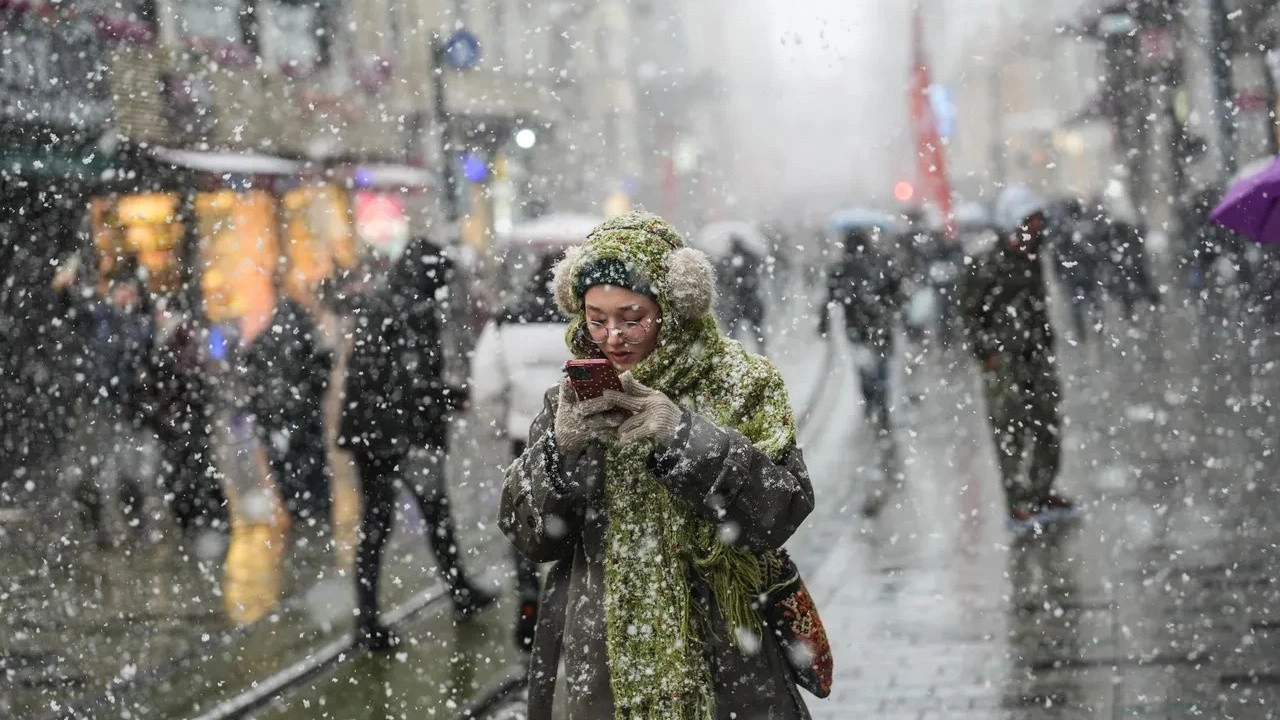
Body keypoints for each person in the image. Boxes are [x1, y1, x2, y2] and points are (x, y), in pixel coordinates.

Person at [500, 211, 815, 720]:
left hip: (726, 655)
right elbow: (534, 538)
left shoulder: (742, 381)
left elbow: (782, 508)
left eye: (631, 317)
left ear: (674, 305)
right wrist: (559, 453)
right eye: (596, 318)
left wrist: (683, 435)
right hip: (603, 665)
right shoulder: (569, 398)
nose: (612, 337)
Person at [337, 257, 494, 651]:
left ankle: (370, 619)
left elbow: (385, 376)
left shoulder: (384, 305)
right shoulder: (411, 311)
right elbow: (410, 380)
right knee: (429, 517)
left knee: (381, 526)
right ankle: (453, 593)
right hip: (401, 437)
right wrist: (446, 398)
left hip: (375, 434)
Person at [470, 253, 570, 652]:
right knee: (575, 527)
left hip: (525, 438)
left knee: (526, 523)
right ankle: (570, 612)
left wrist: (502, 425)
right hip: (576, 441)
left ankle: (529, 607)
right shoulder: (586, 322)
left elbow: (485, 387)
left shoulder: (506, 322)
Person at [961, 186, 1076, 534]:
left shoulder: (1034, 258)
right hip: (1004, 361)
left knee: (1046, 424)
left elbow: (1038, 307)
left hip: (1036, 357)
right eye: (1031, 222)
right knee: (1009, 432)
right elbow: (970, 315)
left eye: (1039, 222)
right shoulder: (986, 263)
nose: (1037, 230)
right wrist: (989, 353)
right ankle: (1018, 502)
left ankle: (1042, 491)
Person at [243, 295, 333, 533]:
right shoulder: (307, 339)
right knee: (311, 474)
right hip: (302, 419)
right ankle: (314, 518)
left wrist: (264, 416)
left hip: (277, 421)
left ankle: (298, 513)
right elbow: (322, 374)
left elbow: (251, 381)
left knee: (287, 471)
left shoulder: (263, 341)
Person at [148, 311, 229, 534]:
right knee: (192, 468)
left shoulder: (180, 336)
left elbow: (188, 374)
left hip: (183, 416)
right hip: (180, 417)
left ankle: (202, 521)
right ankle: (203, 520)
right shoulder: (177, 335)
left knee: (191, 469)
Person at [818, 227, 906, 433]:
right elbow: (898, 290)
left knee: (863, 365)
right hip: (881, 323)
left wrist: (824, 323)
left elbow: (830, 298)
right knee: (882, 362)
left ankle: (869, 399)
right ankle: (882, 400)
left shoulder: (840, 267)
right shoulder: (883, 261)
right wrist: (892, 306)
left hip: (855, 325)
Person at [715, 234, 767, 352]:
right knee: (755, 333)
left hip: (737, 302)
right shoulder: (750, 257)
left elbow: (722, 279)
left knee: (734, 334)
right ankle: (761, 352)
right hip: (748, 302)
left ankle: (732, 352)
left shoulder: (728, 259)